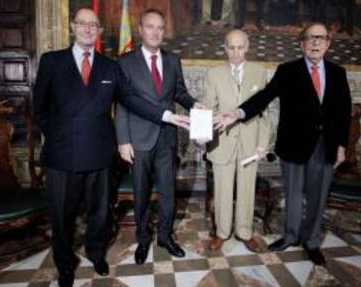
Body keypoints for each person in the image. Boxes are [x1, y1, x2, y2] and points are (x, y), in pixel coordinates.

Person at [33, 7, 189, 287]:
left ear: (100, 31)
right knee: (62, 216)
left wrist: (167, 115)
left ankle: (96, 254)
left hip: (99, 152)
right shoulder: (52, 61)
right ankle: (65, 265)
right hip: (61, 155)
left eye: (94, 25)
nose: (88, 29)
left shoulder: (109, 66)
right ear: (73, 27)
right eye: (82, 23)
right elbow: (39, 108)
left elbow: (130, 100)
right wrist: (54, 136)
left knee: (100, 212)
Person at [216, 22, 352, 266]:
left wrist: (342, 144)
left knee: (318, 196)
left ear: (328, 44)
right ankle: (289, 236)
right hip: (294, 144)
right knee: (292, 193)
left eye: (320, 38)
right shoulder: (287, 70)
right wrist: (238, 113)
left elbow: (344, 111)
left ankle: (311, 242)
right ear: (301, 44)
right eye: (310, 38)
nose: (315, 42)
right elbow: (264, 97)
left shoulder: (338, 73)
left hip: (326, 145)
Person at [115, 8, 204, 265]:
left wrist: (193, 104)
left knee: (168, 191)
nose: (155, 32)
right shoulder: (125, 62)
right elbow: (121, 104)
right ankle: (143, 238)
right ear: (140, 30)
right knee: (141, 193)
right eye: (150, 27)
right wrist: (123, 140)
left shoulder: (173, 60)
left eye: (160, 28)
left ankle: (165, 236)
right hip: (138, 138)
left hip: (167, 138)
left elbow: (180, 92)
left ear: (164, 32)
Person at [203, 29, 271, 252]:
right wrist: (209, 126)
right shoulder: (213, 74)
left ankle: (244, 232)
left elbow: (264, 113)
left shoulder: (260, 72)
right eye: (231, 47)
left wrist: (263, 144)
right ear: (225, 48)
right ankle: (222, 232)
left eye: (240, 47)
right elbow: (207, 109)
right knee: (222, 190)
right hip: (222, 142)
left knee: (247, 189)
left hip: (250, 143)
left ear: (247, 48)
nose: (236, 52)